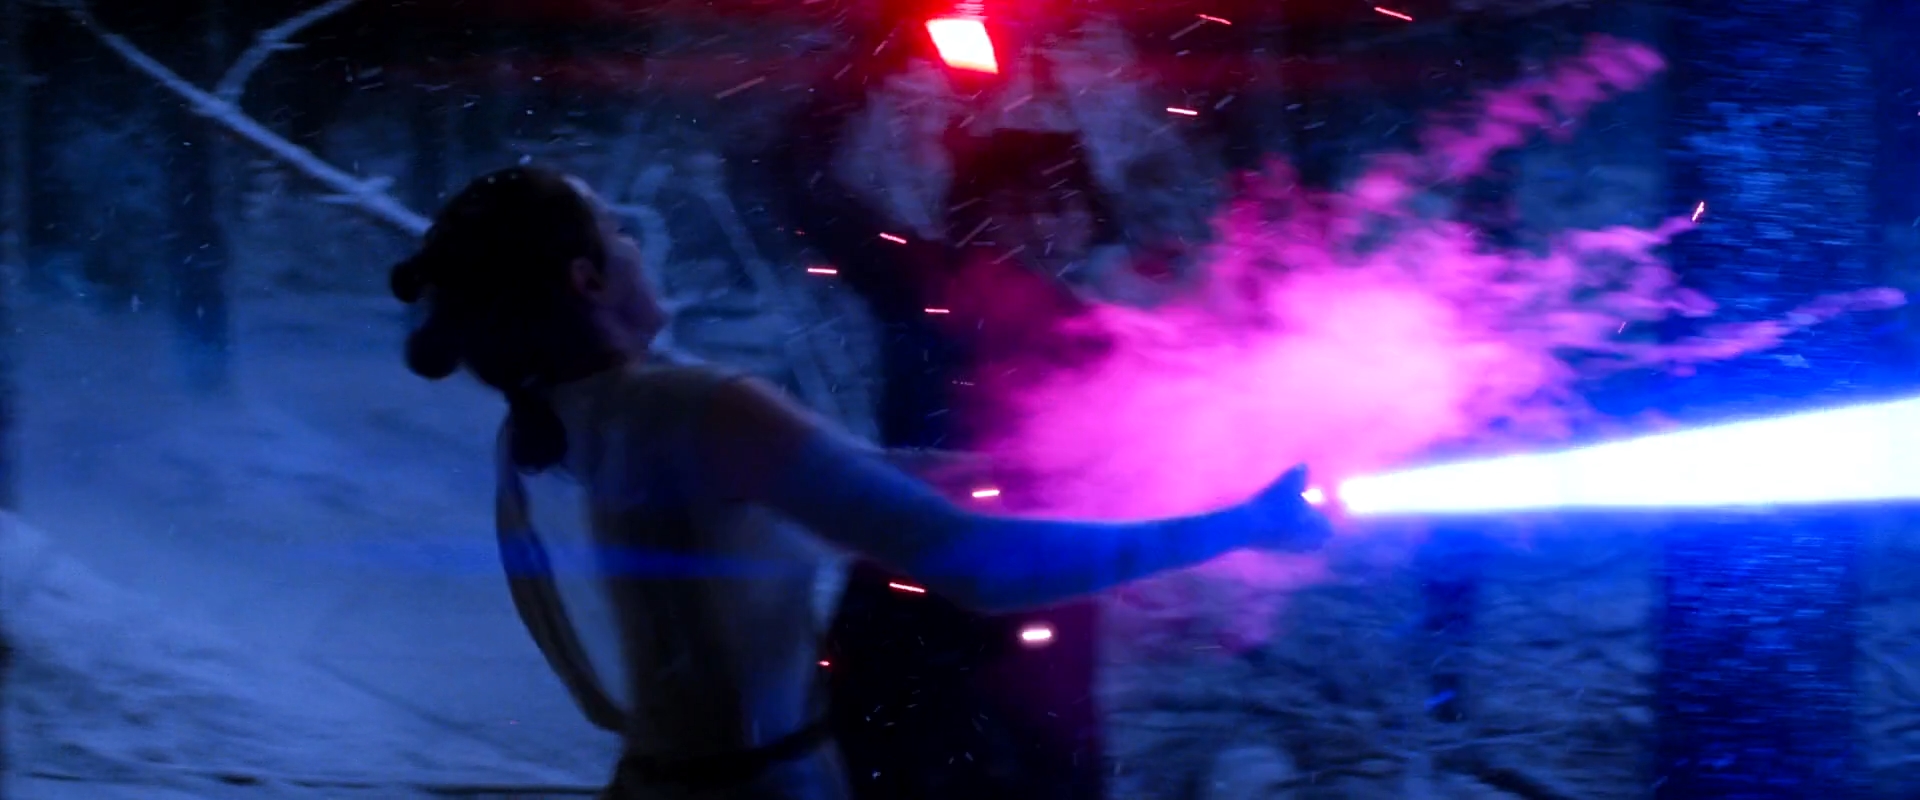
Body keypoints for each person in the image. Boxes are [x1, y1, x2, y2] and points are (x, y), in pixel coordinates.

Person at [389, 165, 1332, 800]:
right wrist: (1237, 525)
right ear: (588, 279)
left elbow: (748, 492)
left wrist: (943, 473)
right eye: (617, 233)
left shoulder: (552, 422)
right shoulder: (699, 406)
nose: (641, 244)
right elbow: (983, 569)